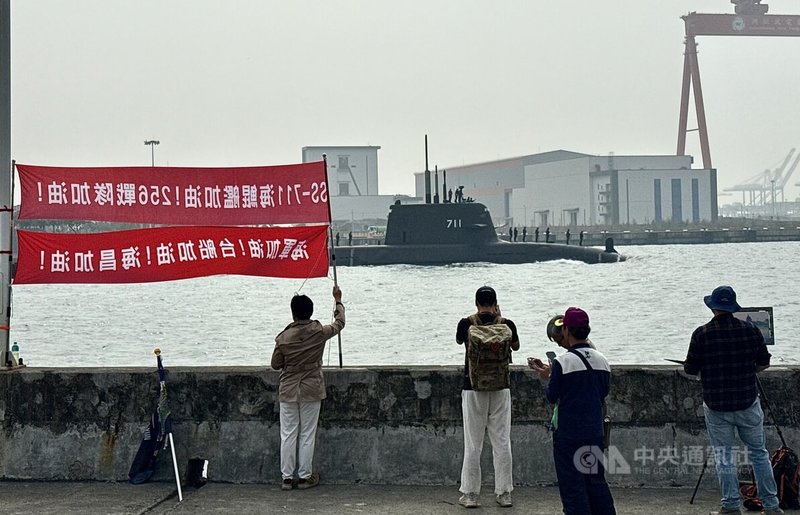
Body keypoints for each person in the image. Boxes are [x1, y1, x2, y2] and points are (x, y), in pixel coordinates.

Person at [683, 286, 783, 515]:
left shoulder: (702, 333)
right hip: (747, 401)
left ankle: (730, 505)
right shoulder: (751, 331)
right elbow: (764, 362)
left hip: (717, 405)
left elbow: (690, 368)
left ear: (713, 307)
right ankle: (771, 505)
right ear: (733, 307)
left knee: (724, 456)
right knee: (759, 453)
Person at [528, 307, 616, 515]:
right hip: (594, 432)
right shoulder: (602, 360)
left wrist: (546, 378)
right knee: (596, 483)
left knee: (573, 487)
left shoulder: (562, 362)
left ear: (566, 330)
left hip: (568, 435)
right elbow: (603, 391)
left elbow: (552, 396)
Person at [271, 286, 346, 491]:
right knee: (307, 433)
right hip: (311, 388)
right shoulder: (319, 331)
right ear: (310, 312)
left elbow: (276, 364)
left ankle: (287, 478)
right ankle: (304, 477)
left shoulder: (283, 338)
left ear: (293, 313)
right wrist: (338, 300)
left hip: (288, 389)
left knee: (288, 433)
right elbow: (339, 324)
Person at [455, 286, 520, 508]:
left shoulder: (466, 323)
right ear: (495, 302)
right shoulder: (507, 324)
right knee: (501, 441)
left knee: (473, 443)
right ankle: (504, 493)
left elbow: (459, 342)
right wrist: (500, 317)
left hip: (473, 387)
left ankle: (471, 494)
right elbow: (516, 346)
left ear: (476, 302)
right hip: (501, 387)